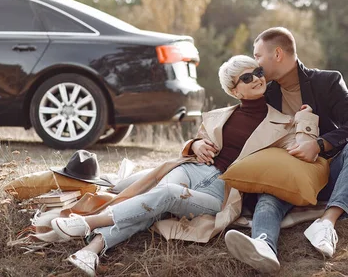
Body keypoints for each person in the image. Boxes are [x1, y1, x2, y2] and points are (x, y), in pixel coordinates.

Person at [47, 55, 318, 276]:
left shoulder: (284, 123)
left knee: (164, 197)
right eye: (247, 77)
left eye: (258, 72)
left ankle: (87, 223)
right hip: (190, 170)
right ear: (235, 90)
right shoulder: (220, 115)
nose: (257, 79)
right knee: (153, 207)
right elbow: (198, 139)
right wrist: (195, 145)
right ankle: (90, 252)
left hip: (222, 191)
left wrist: (306, 118)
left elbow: (304, 149)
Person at [225, 27, 348, 274]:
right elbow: (235, 119)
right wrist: (197, 143)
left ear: (278, 54)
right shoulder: (265, 92)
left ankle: (327, 223)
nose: (255, 63)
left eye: (258, 55)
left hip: (326, 172)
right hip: (286, 177)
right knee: (268, 195)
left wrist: (318, 145)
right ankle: (263, 245)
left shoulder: (326, 81)